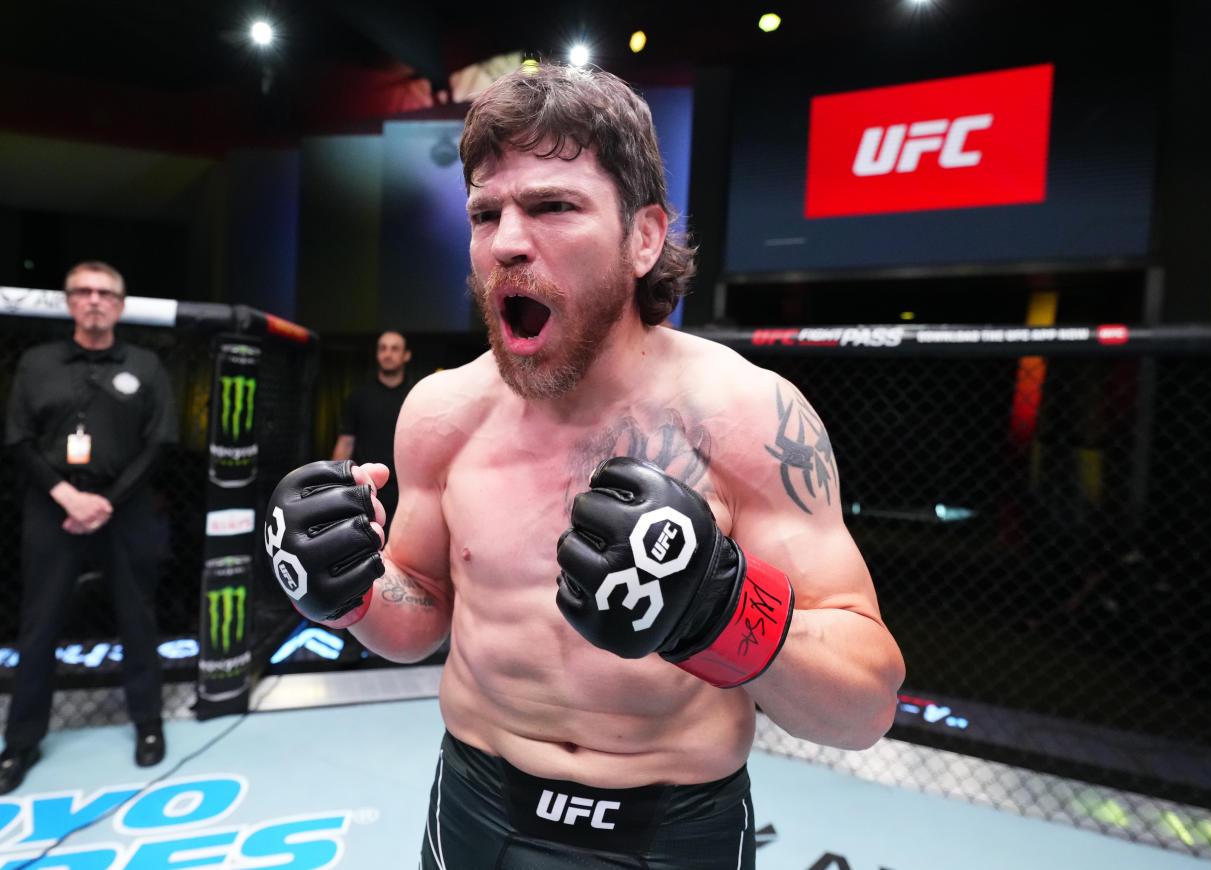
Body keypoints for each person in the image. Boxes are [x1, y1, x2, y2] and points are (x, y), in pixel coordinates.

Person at [264, 63, 904, 868]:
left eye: (553, 206)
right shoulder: (441, 414)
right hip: (475, 806)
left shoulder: (746, 416)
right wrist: (349, 589)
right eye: (485, 213)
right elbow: (418, 612)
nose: (506, 243)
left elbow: (863, 709)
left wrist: (720, 610)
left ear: (643, 237)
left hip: (673, 829)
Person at [0, 261, 177, 794]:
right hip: (51, 508)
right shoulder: (36, 364)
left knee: (137, 618)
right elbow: (18, 438)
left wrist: (104, 502)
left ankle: (148, 723)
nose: (95, 300)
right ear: (70, 301)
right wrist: (67, 496)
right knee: (40, 624)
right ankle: (21, 743)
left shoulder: (145, 365)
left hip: (125, 512)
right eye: (84, 291)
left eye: (105, 293)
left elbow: (160, 442)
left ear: (119, 306)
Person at [330, 330, 413, 536]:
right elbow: (345, 443)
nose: (388, 353)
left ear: (406, 355)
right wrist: (333, 487)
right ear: (377, 354)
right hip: (366, 489)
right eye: (383, 348)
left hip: (407, 493)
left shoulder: (415, 396)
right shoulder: (358, 397)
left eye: (395, 349)